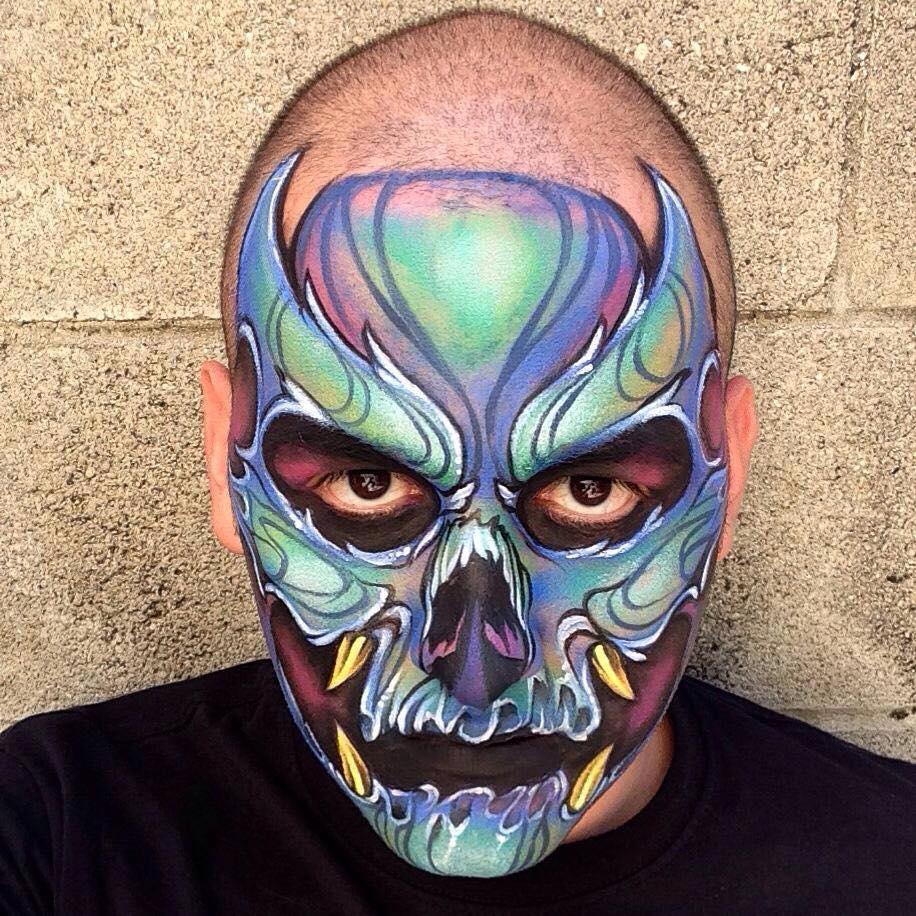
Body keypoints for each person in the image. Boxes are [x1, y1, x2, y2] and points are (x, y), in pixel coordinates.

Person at [1, 11, 913, 915]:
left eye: (590, 490)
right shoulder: (55, 835)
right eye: (368, 485)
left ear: (729, 473)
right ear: (222, 457)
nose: (475, 664)